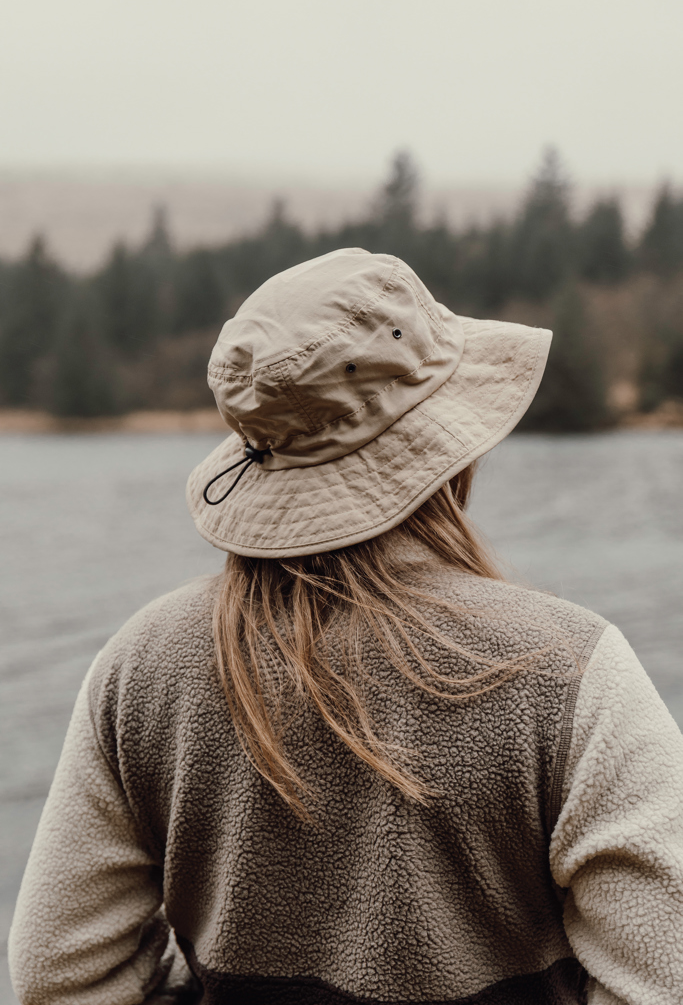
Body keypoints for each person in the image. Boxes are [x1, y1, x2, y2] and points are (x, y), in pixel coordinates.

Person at [9, 248, 683, 1005]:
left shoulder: (142, 664)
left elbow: (57, 976)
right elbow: (663, 976)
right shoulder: (569, 667)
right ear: (448, 451)